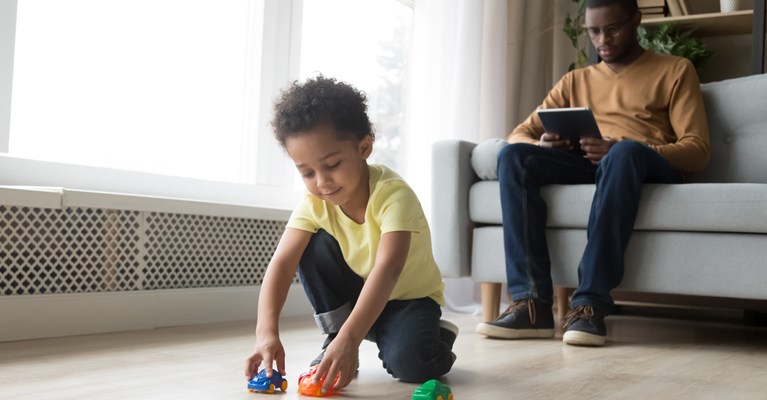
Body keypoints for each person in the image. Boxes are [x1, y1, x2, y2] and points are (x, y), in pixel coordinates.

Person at [475, 0, 710, 346]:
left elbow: (698, 150)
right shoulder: (576, 80)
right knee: (514, 156)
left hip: (641, 164)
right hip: (588, 164)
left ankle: (589, 305)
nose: (603, 39)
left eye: (612, 28)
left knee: (625, 152)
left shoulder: (675, 69)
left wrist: (624, 147)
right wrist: (543, 144)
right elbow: (519, 133)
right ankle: (531, 305)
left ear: (636, 21)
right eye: (594, 31)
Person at [244, 75, 457, 394]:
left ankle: (434, 337)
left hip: (408, 300)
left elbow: (389, 269)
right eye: (307, 173)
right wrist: (266, 333)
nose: (322, 181)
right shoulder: (314, 203)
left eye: (331, 164)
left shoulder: (394, 196)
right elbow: (282, 264)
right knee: (309, 246)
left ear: (364, 148)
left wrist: (351, 338)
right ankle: (338, 334)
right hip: (358, 295)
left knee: (412, 366)